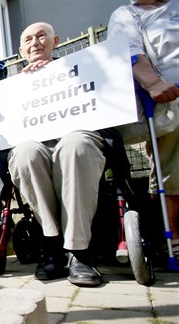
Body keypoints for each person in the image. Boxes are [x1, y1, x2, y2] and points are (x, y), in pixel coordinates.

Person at [7, 22, 130, 287]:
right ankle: (52, 244)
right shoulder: (13, 86)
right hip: (38, 144)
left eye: (42, 36)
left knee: (73, 145)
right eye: (28, 39)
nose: (35, 43)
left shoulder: (81, 67)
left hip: (78, 135)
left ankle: (78, 252)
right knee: (25, 153)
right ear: (21, 50)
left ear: (56, 41)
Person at [108, 0, 179, 260]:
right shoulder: (128, 14)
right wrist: (154, 84)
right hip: (166, 96)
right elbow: (130, 53)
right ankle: (172, 235)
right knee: (173, 148)